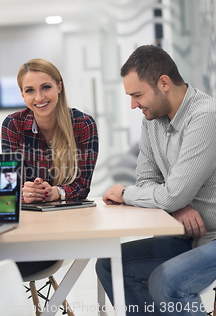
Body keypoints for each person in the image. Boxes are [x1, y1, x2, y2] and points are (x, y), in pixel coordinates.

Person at [96, 45, 216, 316]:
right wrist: (176, 204)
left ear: (164, 83)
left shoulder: (206, 116)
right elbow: (148, 180)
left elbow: (166, 193)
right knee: (110, 264)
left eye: (137, 95)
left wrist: (126, 193)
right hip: (185, 236)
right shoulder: (152, 120)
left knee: (168, 280)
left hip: (213, 237)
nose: (133, 105)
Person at [1, 58, 99, 203]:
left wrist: (56, 192)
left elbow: (82, 186)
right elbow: (11, 186)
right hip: (31, 215)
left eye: (46, 87)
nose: (39, 97)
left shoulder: (83, 125)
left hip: (70, 216)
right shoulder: (13, 125)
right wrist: (27, 192)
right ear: (22, 94)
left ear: (59, 87)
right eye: (30, 90)